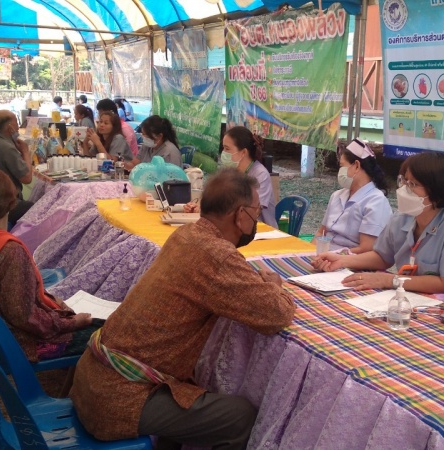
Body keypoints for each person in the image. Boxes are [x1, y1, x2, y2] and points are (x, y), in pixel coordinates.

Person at [70, 169, 295, 447]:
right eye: (255, 212)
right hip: (118, 398)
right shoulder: (217, 255)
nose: (256, 219)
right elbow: (277, 314)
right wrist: (275, 287)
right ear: (240, 215)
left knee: (193, 388)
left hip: (92, 379)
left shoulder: (186, 234)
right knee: (239, 417)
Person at [0, 165, 97, 363]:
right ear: (12, 203)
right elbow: (25, 317)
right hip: (19, 343)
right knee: (104, 333)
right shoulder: (10, 252)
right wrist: (72, 323)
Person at [312, 152, 444, 307]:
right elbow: (382, 257)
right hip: (414, 301)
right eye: (403, 181)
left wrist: (391, 280)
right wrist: (343, 260)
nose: (404, 189)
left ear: (437, 190)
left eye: (413, 184)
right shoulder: (402, 217)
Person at [313, 138, 391, 254]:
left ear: (357, 166)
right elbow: (321, 233)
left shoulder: (376, 202)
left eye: (342, 166)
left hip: (348, 259)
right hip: (325, 255)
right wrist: (309, 253)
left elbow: (366, 249)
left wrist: (334, 256)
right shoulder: (337, 196)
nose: (340, 172)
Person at [0, 109, 34, 226]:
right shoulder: (7, 148)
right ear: (10, 127)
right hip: (2, 204)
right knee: (39, 209)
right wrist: (25, 152)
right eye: (16, 123)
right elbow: (27, 178)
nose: (18, 127)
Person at [220, 126, 277, 227]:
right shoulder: (232, 173)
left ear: (243, 152)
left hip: (261, 231)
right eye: (223, 148)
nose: (223, 153)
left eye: (227, 149)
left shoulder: (260, 174)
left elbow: (253, 211)